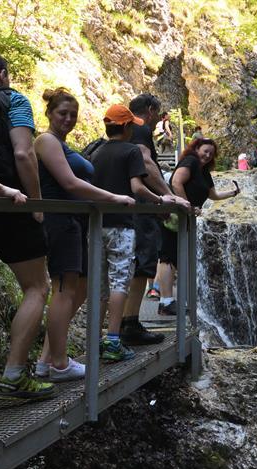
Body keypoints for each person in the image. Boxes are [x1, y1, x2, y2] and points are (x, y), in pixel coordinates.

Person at [34, 88, 135, 382]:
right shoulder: (46, 141)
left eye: (73, 115)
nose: (68, 119)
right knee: (64, 292)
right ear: (50, 114)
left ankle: (45, 361)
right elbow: (70, 182)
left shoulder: (61, 144)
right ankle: (60, 364)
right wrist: (113, 198)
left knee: (76, 291)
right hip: (60, 221)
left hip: (72, 223)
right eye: (62, 113)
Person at [0, 52, 54, 400]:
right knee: (37, 287)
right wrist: (35, 203)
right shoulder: (13, 99)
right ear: (2, 73)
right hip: (10, 203)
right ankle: (12, 377)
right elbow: (24, 153)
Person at [91, 104, 169, 362]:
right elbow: (137, 186)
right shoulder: (132, 151)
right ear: (126, 128)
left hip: (97, 224)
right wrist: (160, 199)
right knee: (120, 281)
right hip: (122, 225)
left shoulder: (98, 151)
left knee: (100, 285)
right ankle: (114, 340)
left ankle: (95, 341)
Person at [121, 94, 190, 345]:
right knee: (143, 263)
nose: (157, 122)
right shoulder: (139, 128)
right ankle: (128, 324)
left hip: (134, 207)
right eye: (157, 116)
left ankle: (127, 323)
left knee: (139, 263)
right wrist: (168, 196)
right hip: (139, 210)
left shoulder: (129, 128)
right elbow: (146, 163)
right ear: (150, 111)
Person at [156, 138, 240, 315]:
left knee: (175, 257)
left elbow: (214, 195)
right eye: (205, 151)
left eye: (211, 153)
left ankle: (170, 301)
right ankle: (165, 301)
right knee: (168, 257)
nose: (208, 155)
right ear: (196, 149)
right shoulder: (191, 161)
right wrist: (186, 205)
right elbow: (176, 182)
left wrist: (233, 193)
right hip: (175, 214)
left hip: (185, 218)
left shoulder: (204, 172)